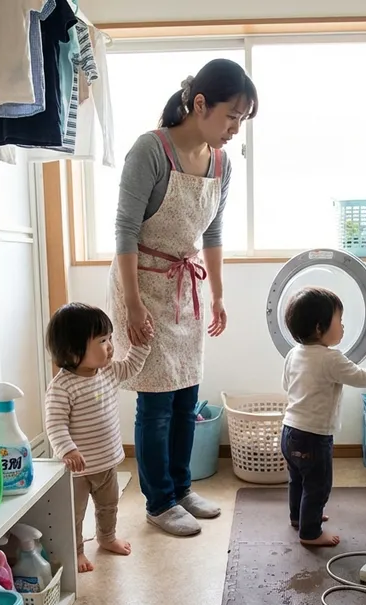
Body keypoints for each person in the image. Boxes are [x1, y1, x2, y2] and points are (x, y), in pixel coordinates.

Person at [109, 59, 258, 537]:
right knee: (156, 402)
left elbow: (212, 232)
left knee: (187, 395)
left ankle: (181, 488)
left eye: (242, 120)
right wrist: (133, 304)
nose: (235, 129)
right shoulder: (150, 151)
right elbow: (125, 231)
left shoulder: (222, 164)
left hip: (185, 287)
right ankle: (159, 502)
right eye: (231, 116)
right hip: (141, 284)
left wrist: (218, 294)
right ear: (200, 104)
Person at [281, 287, 366, 547]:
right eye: (339, 320)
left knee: (298, 480)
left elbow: (286, 384)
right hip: (314, 436)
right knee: (318, 486)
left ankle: (298, 517)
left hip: (289, 431)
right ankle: (310, 533)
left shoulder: (293, 353)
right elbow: (361, 377)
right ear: (319, 327)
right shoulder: (331, 358)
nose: (343, 326)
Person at [44, 303, 151, 572]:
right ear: (72, 350)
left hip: (106, 463)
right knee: (74, 513)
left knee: (108, 505)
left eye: (110, 338)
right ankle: (76, 550)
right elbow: (55, 423)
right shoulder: (62, 386)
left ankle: (107, 537)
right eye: (102, 341)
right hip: (77, 470)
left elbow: (131, 367)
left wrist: (141, 344)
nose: (110, 346)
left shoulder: (109, 371)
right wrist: (68, 450)